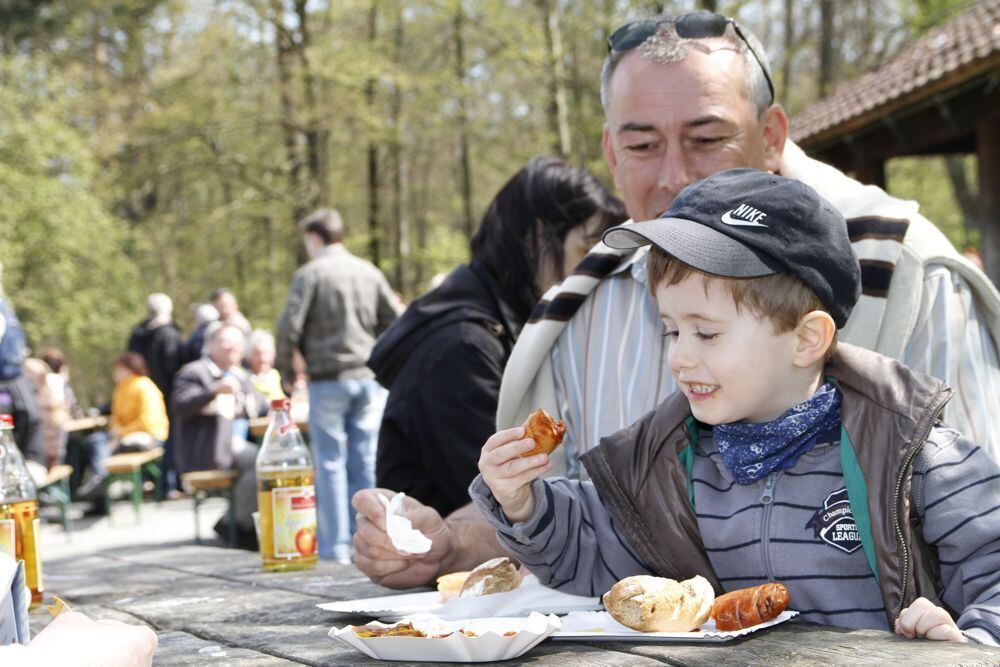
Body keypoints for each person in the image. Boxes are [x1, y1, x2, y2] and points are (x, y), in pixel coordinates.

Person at [351, 10, 1000, 590]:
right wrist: (444, 540)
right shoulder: (584, 308)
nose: (675, 176)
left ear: (772, 136)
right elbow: (580, 514)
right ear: (610, 152)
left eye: (707, 137)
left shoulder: (911, 273)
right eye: (641, 144)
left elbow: (980, 521)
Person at [471, 169, 1000, 645]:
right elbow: (594, 550)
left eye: (706, 332)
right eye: (671, 330)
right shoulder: (669, 467)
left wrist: (966, 646)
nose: (679, 356)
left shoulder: (914, 456)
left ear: (806, 339)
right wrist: (522, 502)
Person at [368, 157, 627, 518]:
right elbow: (512, 497)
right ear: (535, 237)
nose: (596, 273)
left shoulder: (497, 324)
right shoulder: (461, 348)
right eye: (585, 252)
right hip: (449, 568)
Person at [276, 207, 402, 562]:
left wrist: (286, 369)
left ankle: (337, 548)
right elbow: (393, 321)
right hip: (368, 378)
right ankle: (372, 544)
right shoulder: (368, 271)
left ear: (314, 238)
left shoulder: (310, 274)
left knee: (330, 462)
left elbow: (289, 326)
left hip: (328, 379)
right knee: (366, 461)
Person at [172, 325, 265, 546]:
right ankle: (236, 525)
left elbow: (261, 406)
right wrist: (212, 391)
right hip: (205, 452)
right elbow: (179, 404)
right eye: (225, 342)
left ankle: (235, 523)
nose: (231, 347)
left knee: (262, 466)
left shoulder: (240, 376)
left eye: (237, 344)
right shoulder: (194, 372)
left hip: (231, 447)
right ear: (209, 344)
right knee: (262, 461)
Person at [77, 353, 170, 503]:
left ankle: (101, 483)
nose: (115, 373)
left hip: (151, 435)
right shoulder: (121, 389)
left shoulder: (144, 386)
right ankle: (100, 483)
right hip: (124, 436)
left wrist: (120, 434)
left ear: (129, 368)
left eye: (117, 369)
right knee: (94, 440)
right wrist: (116, 433)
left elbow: (147, 420)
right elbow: (116, 417)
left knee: (100, 445)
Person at [0, 264, 44, 478]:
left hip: (13, 374)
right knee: (20, 419)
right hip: (5, 378)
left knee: (30, 417)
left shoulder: (3, 303)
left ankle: (25, 463)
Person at [245, 329, 285, 402]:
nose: (262, 359)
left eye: (266, 353)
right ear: (249, 356)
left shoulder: (276, 376)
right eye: (257, 354)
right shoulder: (245, 379)